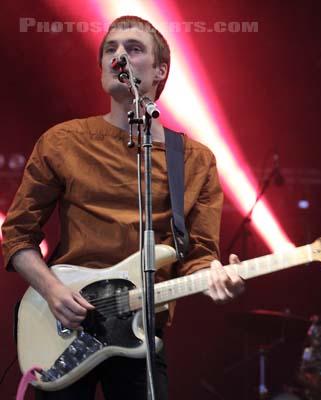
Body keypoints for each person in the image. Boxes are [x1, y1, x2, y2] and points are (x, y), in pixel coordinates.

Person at [1, 16, 245, 399]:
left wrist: (215, 278)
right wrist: (51, 291)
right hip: (66, 321)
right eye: (110, 49)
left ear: (160, 70)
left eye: (133, 49)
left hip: (140, 330)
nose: (119, 56)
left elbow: (198, 255)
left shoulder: (195, 160)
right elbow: (16, 235)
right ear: (101, 68)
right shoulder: (63, 141)